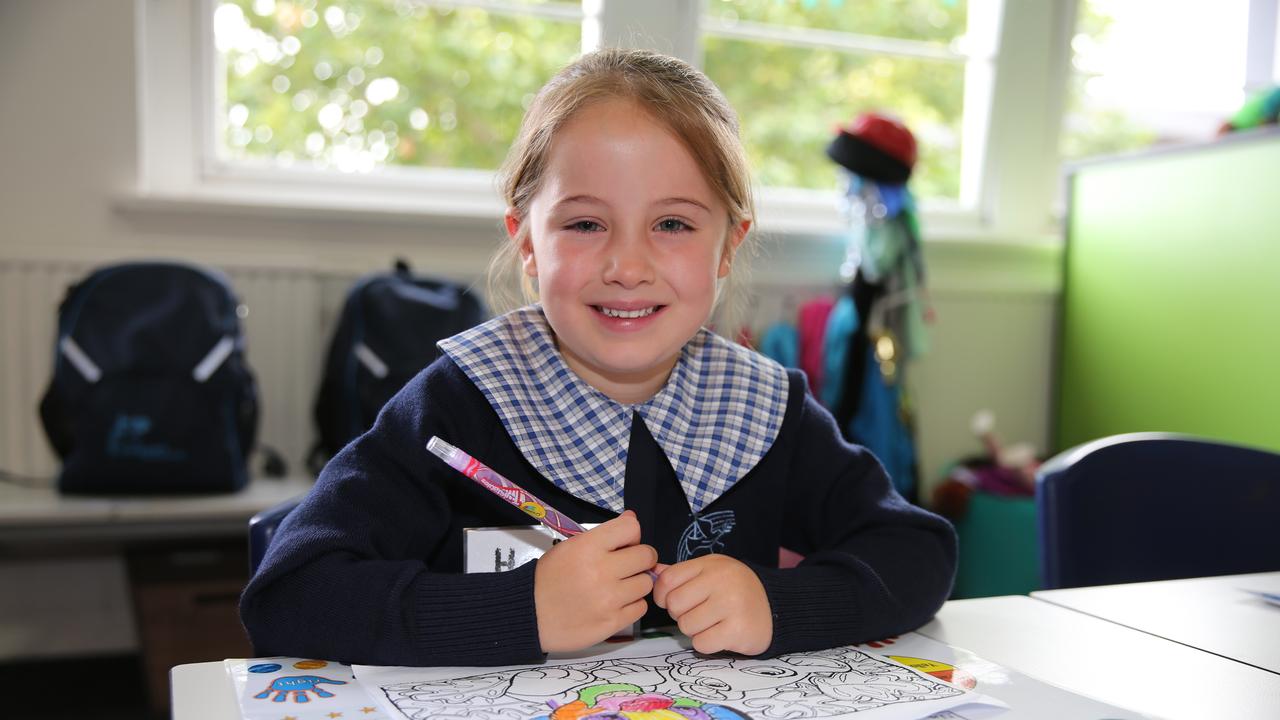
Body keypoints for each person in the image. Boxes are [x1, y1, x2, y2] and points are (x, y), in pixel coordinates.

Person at [240, 48, 956, 667]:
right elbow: (290, 596)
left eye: (673, 223)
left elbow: (919, 555)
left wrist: (779, 604)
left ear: (728, 247)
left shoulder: (766, 408)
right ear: (527, 242)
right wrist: (521, 610)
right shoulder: (457, 406)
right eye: (585, 223)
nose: (627, 265)